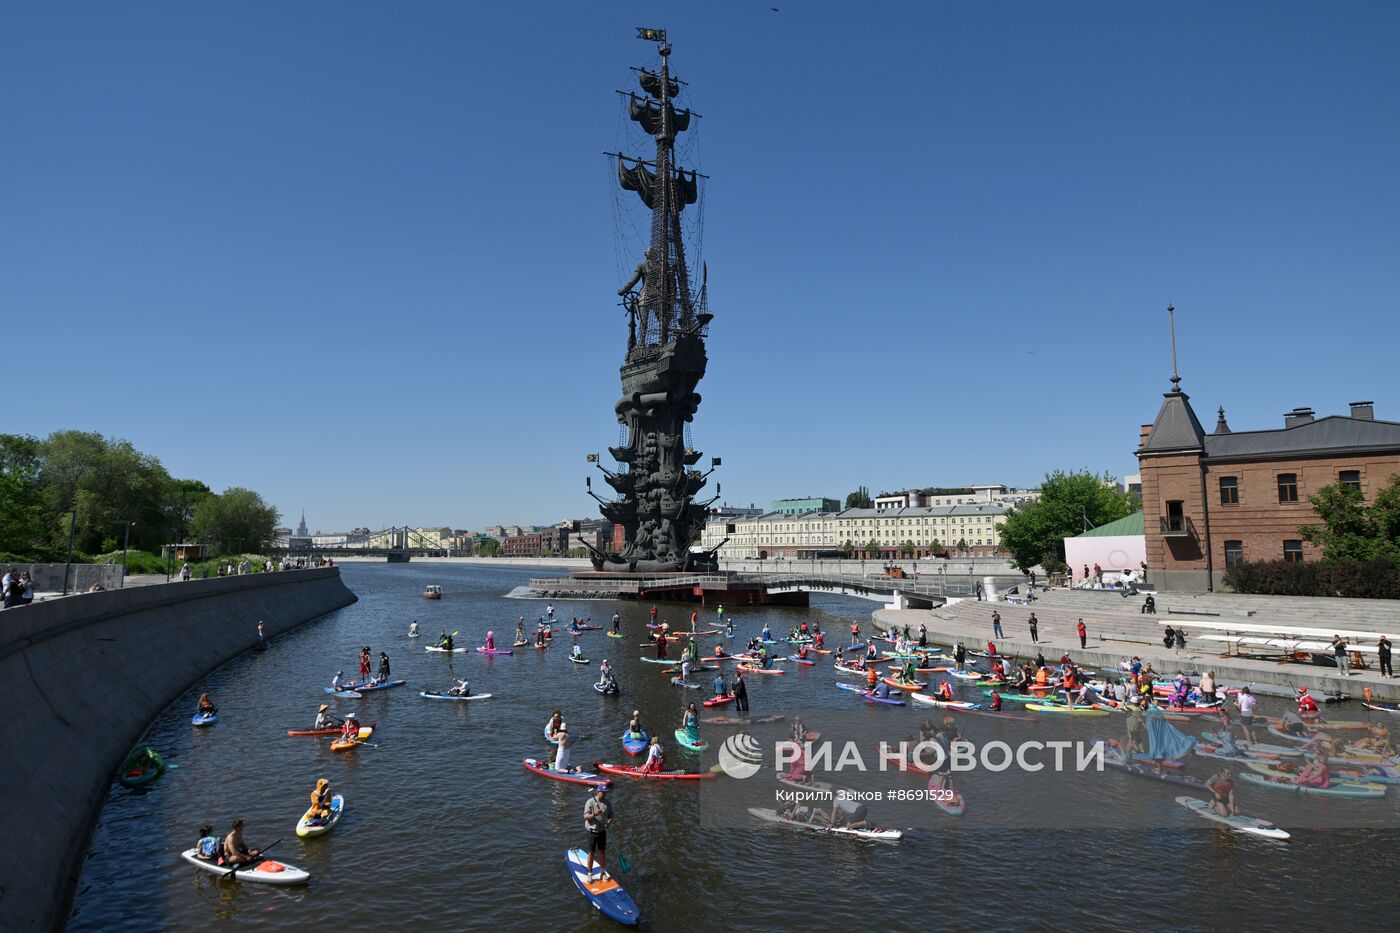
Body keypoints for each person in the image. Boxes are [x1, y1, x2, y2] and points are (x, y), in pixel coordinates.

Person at [583, 784, 612, 881]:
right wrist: (595, 814)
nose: (604, 794)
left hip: (602, 831)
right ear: (598, 792)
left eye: (605, 793)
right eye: (603, 792)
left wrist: (608, 823)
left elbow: (611, 816)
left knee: (602, 852)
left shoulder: (607, 803)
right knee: (591, 853)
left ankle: (602, 872)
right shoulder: (590, 802)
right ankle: (590, 873)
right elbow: (586, 817)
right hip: (591, 831)